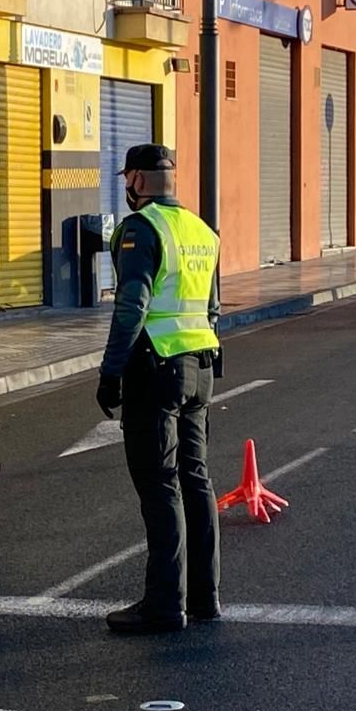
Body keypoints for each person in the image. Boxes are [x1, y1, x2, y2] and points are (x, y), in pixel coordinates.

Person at [95, 144, 222, 635]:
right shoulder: (201, 231)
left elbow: (132, 307)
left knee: (160, 485)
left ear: (140, 182)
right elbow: (213, 307)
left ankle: (165, 605)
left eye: (128, 178)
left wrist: (111, 372)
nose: (126, 187)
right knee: (196, 479)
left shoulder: (141, 229)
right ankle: (204, 598)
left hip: (155, 369)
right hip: (200, 368)